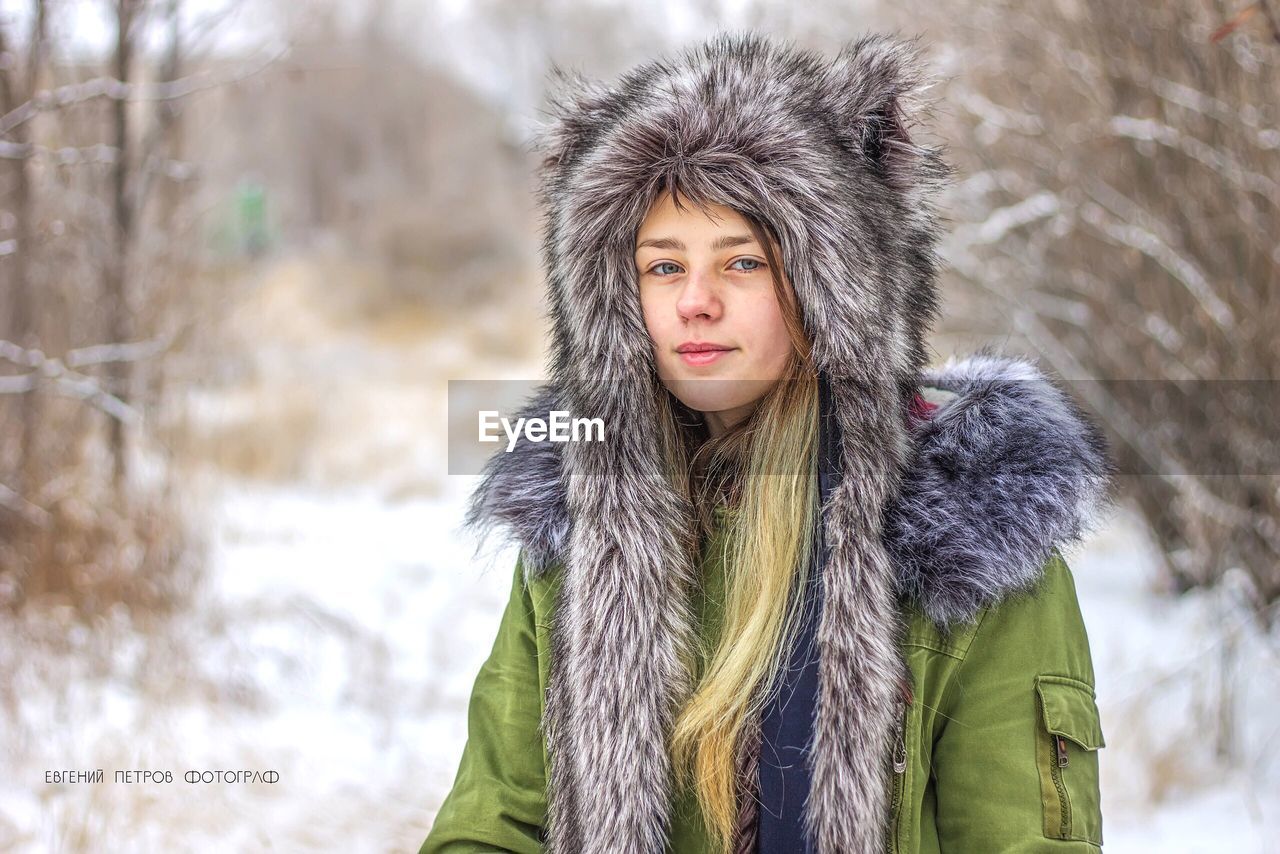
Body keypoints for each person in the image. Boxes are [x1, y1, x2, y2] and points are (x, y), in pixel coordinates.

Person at [421, 30, 1115, 854]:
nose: (696, 303)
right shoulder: (578, 525)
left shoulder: (966, 539)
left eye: (742, 262)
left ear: (830, 292)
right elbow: (490, 825)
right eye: (664, 267)